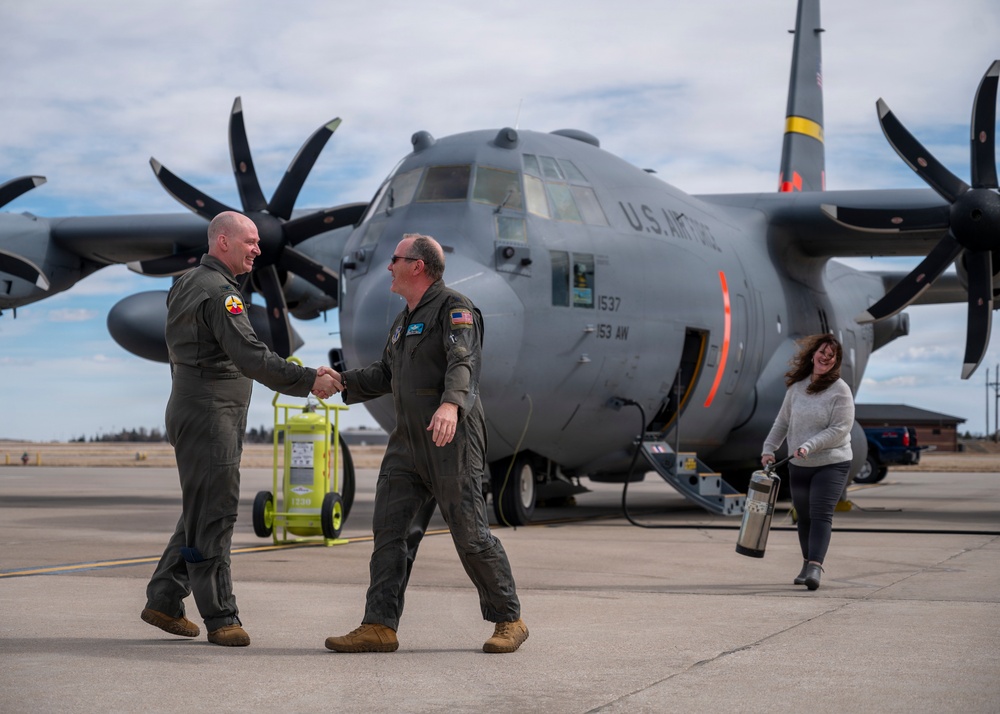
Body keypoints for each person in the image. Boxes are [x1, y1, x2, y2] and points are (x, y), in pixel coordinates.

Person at [141, 211, 341, 647]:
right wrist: (310, 380)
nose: (258, 249)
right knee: (216, 512)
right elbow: (252, 357)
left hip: (198, 409)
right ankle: (221, 617)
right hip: (211, 416)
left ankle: (164, 598)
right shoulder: (219, 293)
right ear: (223, 242)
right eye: (250, 241)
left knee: (201, 508)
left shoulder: (189, 282)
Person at [323, 233, 528, 654]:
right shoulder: (403, 320)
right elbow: (384, 374)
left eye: (394, 259)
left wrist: (451, 405)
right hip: (408, 444)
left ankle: (509, 619)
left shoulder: (455, 309)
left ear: (417, 266)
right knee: (390, 534)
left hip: (451, 439)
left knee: (470, 535)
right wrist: (342, 381)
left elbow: (463, 362)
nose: (388, 267)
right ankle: (379, 625)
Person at [761, 334, 854, 591]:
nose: (826, 357)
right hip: (798, 464)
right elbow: (782, 422)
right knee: (803, 517)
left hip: (832, 462)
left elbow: (840, 428)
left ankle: (815, 566)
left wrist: (809, 445)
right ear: (813, 354)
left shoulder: (840, 390)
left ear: (835, 362)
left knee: (820, 514)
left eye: (831, 355)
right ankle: (806, 564)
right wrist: (769, 449)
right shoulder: (797, 388)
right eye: (823, 352)